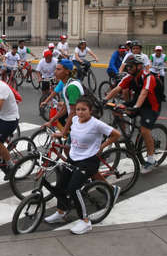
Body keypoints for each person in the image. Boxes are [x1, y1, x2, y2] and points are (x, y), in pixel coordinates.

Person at [45, 97, 121, 235]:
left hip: (88, 160)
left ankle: (85, 221)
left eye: (84, 110)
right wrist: (62, 134)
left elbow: (116, 134)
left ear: (90, 111)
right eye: (78, 109)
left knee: (74, 188)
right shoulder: (74, 120)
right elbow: (71, 134)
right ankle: (61, 212)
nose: (80, 112)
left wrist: (101, 147)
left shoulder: (96, 124)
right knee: (61, 185)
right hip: (73, 158)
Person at [104, 55, 162, 173]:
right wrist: (104, 100)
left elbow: (144, 93)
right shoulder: (129, 77)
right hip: (137, 102)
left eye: (131, 66)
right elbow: (117, 89)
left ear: (139, 66)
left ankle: (150, 160)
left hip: (151, 106)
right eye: (128, 66)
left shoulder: (148, 77)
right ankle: (124, 135)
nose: (128, 68)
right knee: (117, 109)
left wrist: (135, 108)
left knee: (144, 130)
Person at [43, 59, 83, 134]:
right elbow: (64, 108)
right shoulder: (66, 85)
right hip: (77, 123)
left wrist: (63, 132)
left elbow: (72, 112)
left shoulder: (72, 87)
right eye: (55, 69)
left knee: (68, 144)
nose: (55, 72)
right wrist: (51, 121)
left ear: (67, 71)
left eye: (58, 69)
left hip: (81, 126)